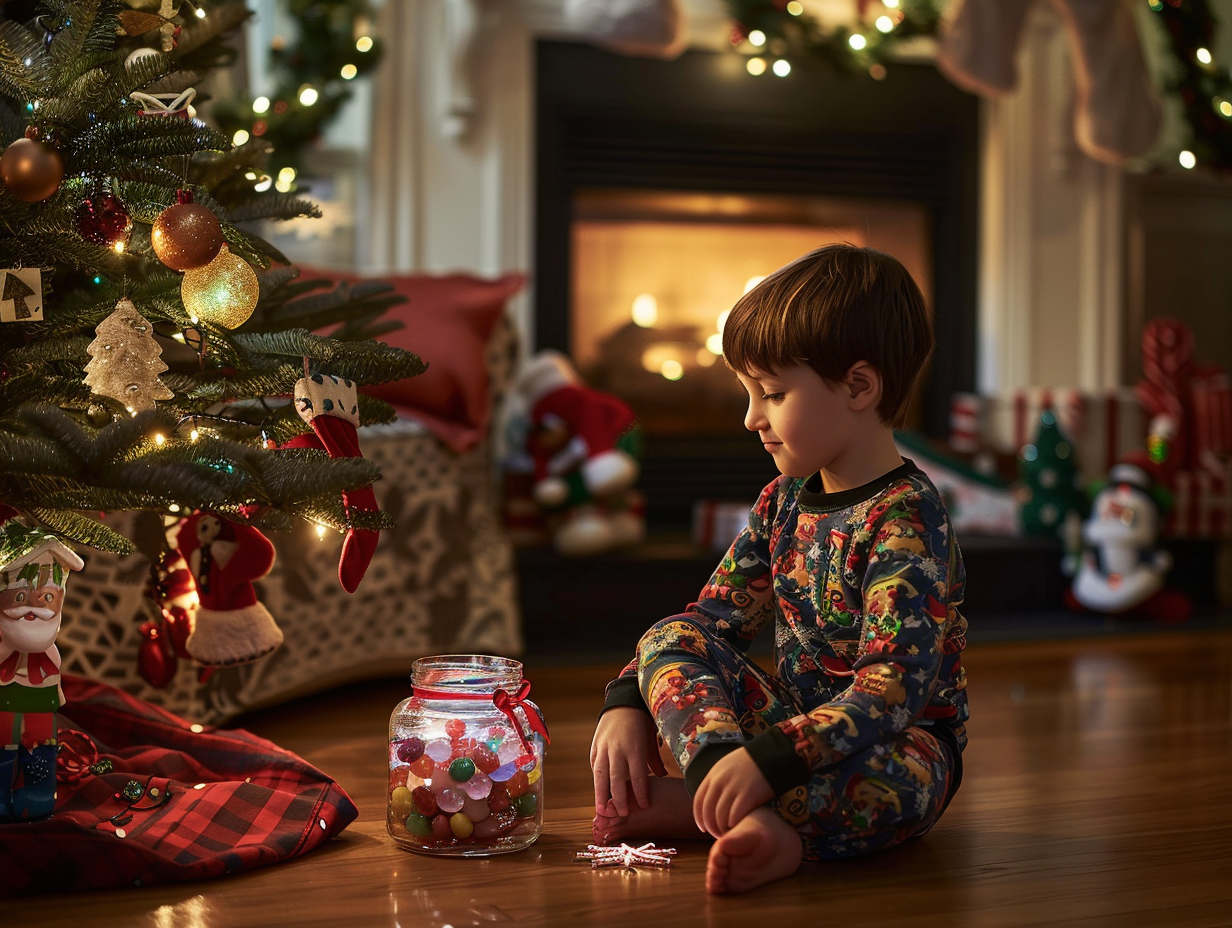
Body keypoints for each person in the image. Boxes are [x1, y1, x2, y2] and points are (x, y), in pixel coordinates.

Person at [589, 243, 969, 894]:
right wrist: (626, 701)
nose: (750, 418)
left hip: (899, 746)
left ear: (858, 387)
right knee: (666, 636)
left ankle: (719, 811)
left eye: (771, 393)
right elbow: (709, 625)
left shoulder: (907, 520)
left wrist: (771, 760)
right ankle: (725, 794)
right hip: (789, 727)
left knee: (895, 790)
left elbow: (891, 690)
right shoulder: (781, 503)